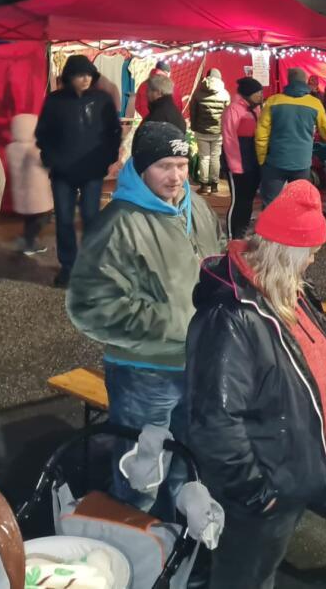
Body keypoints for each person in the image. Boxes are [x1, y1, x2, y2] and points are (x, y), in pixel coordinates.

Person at [187, 180, 326, 588]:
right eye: (311, 251)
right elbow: (215, 422)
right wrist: (259, 494)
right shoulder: (231, 318)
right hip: (265, 491)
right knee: (245, 577)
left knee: (262, 571)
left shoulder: (287, 288)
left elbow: (293, 353)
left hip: (289, 475)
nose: (314, 259)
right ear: (287, 252)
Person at [69, 121, 224, 514]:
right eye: (163, 166)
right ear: (140, 168)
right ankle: (132, 541)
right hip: (144, 375)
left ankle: (174, 545)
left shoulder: (196, 207)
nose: (175, 177)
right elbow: (89, 306)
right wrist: (178, 322)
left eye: (181, 165)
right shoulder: (118, 223)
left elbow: (217, 258)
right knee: (141, 482)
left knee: (186, 471)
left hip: (197, 366)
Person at [36, 54, 122, 287]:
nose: (85, 79)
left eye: (88, 75)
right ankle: (68, 267)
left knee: (91, 218)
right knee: (64, 219)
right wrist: (51, 157)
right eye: (79, 75)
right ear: (69, 76)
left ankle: (90, 266)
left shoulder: (102, 99)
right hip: (62, 172)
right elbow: (43, 132)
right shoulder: (55, 101)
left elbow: (113, 131)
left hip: (92, 170)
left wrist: (109, 158)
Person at [256, 67, 326, 205]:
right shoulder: (314, 103)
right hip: (301, 163)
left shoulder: (273, 101)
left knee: (270, 204)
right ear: (304, 81)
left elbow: (261, 133)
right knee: (299, 204)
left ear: (289, 81)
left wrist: (261, 159)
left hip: (275, 161)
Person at [222, 76, 263, 239]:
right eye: (257, 93)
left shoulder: (256, 109)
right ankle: (233, 236)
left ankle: (242, 231)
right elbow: (229, 139)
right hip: (238, 162)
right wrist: (236, 165)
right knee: (238, 200)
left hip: (252, 161)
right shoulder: (233, 110)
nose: (260, 96)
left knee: (248, 199)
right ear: (247, 93)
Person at [6, 113, 52, 255]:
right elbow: (47, 162)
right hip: (37, 193)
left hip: (21, 192)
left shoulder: (11, 148)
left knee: (29, 219)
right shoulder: (34, 150)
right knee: (44, 217)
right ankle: (29, 242)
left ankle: (28, 239)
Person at [189, 68, 229, 195]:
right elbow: (228, 114)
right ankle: (214, 186)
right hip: (218, 132)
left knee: (204, 158)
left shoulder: (198, 93)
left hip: (201, 131)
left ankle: (204, 186)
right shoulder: (225, 94)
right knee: (215, 158)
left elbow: (193, 112)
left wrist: (194, 127)